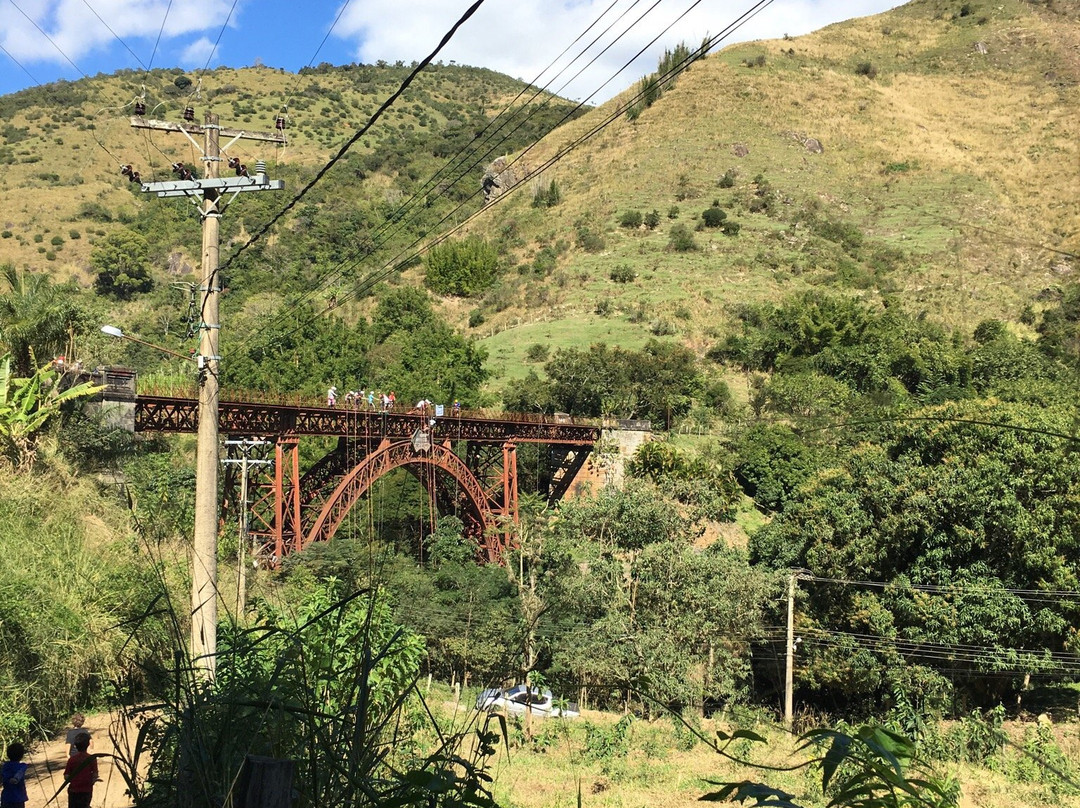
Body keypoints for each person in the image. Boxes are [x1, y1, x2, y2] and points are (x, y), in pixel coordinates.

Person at [63, 733, 97, 808]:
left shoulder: (72, 760)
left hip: (74, 790)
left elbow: (66, 776)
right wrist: (90, 783)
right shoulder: (91, 759)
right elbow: (95, 775)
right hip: (87, 790)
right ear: (88, 744)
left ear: (75, 745)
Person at [1, 743, 28, 808]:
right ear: (21, 755)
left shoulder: (5, 766)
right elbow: (21, 771)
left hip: (6, 798)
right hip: (18, 799)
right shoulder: (22, 766)